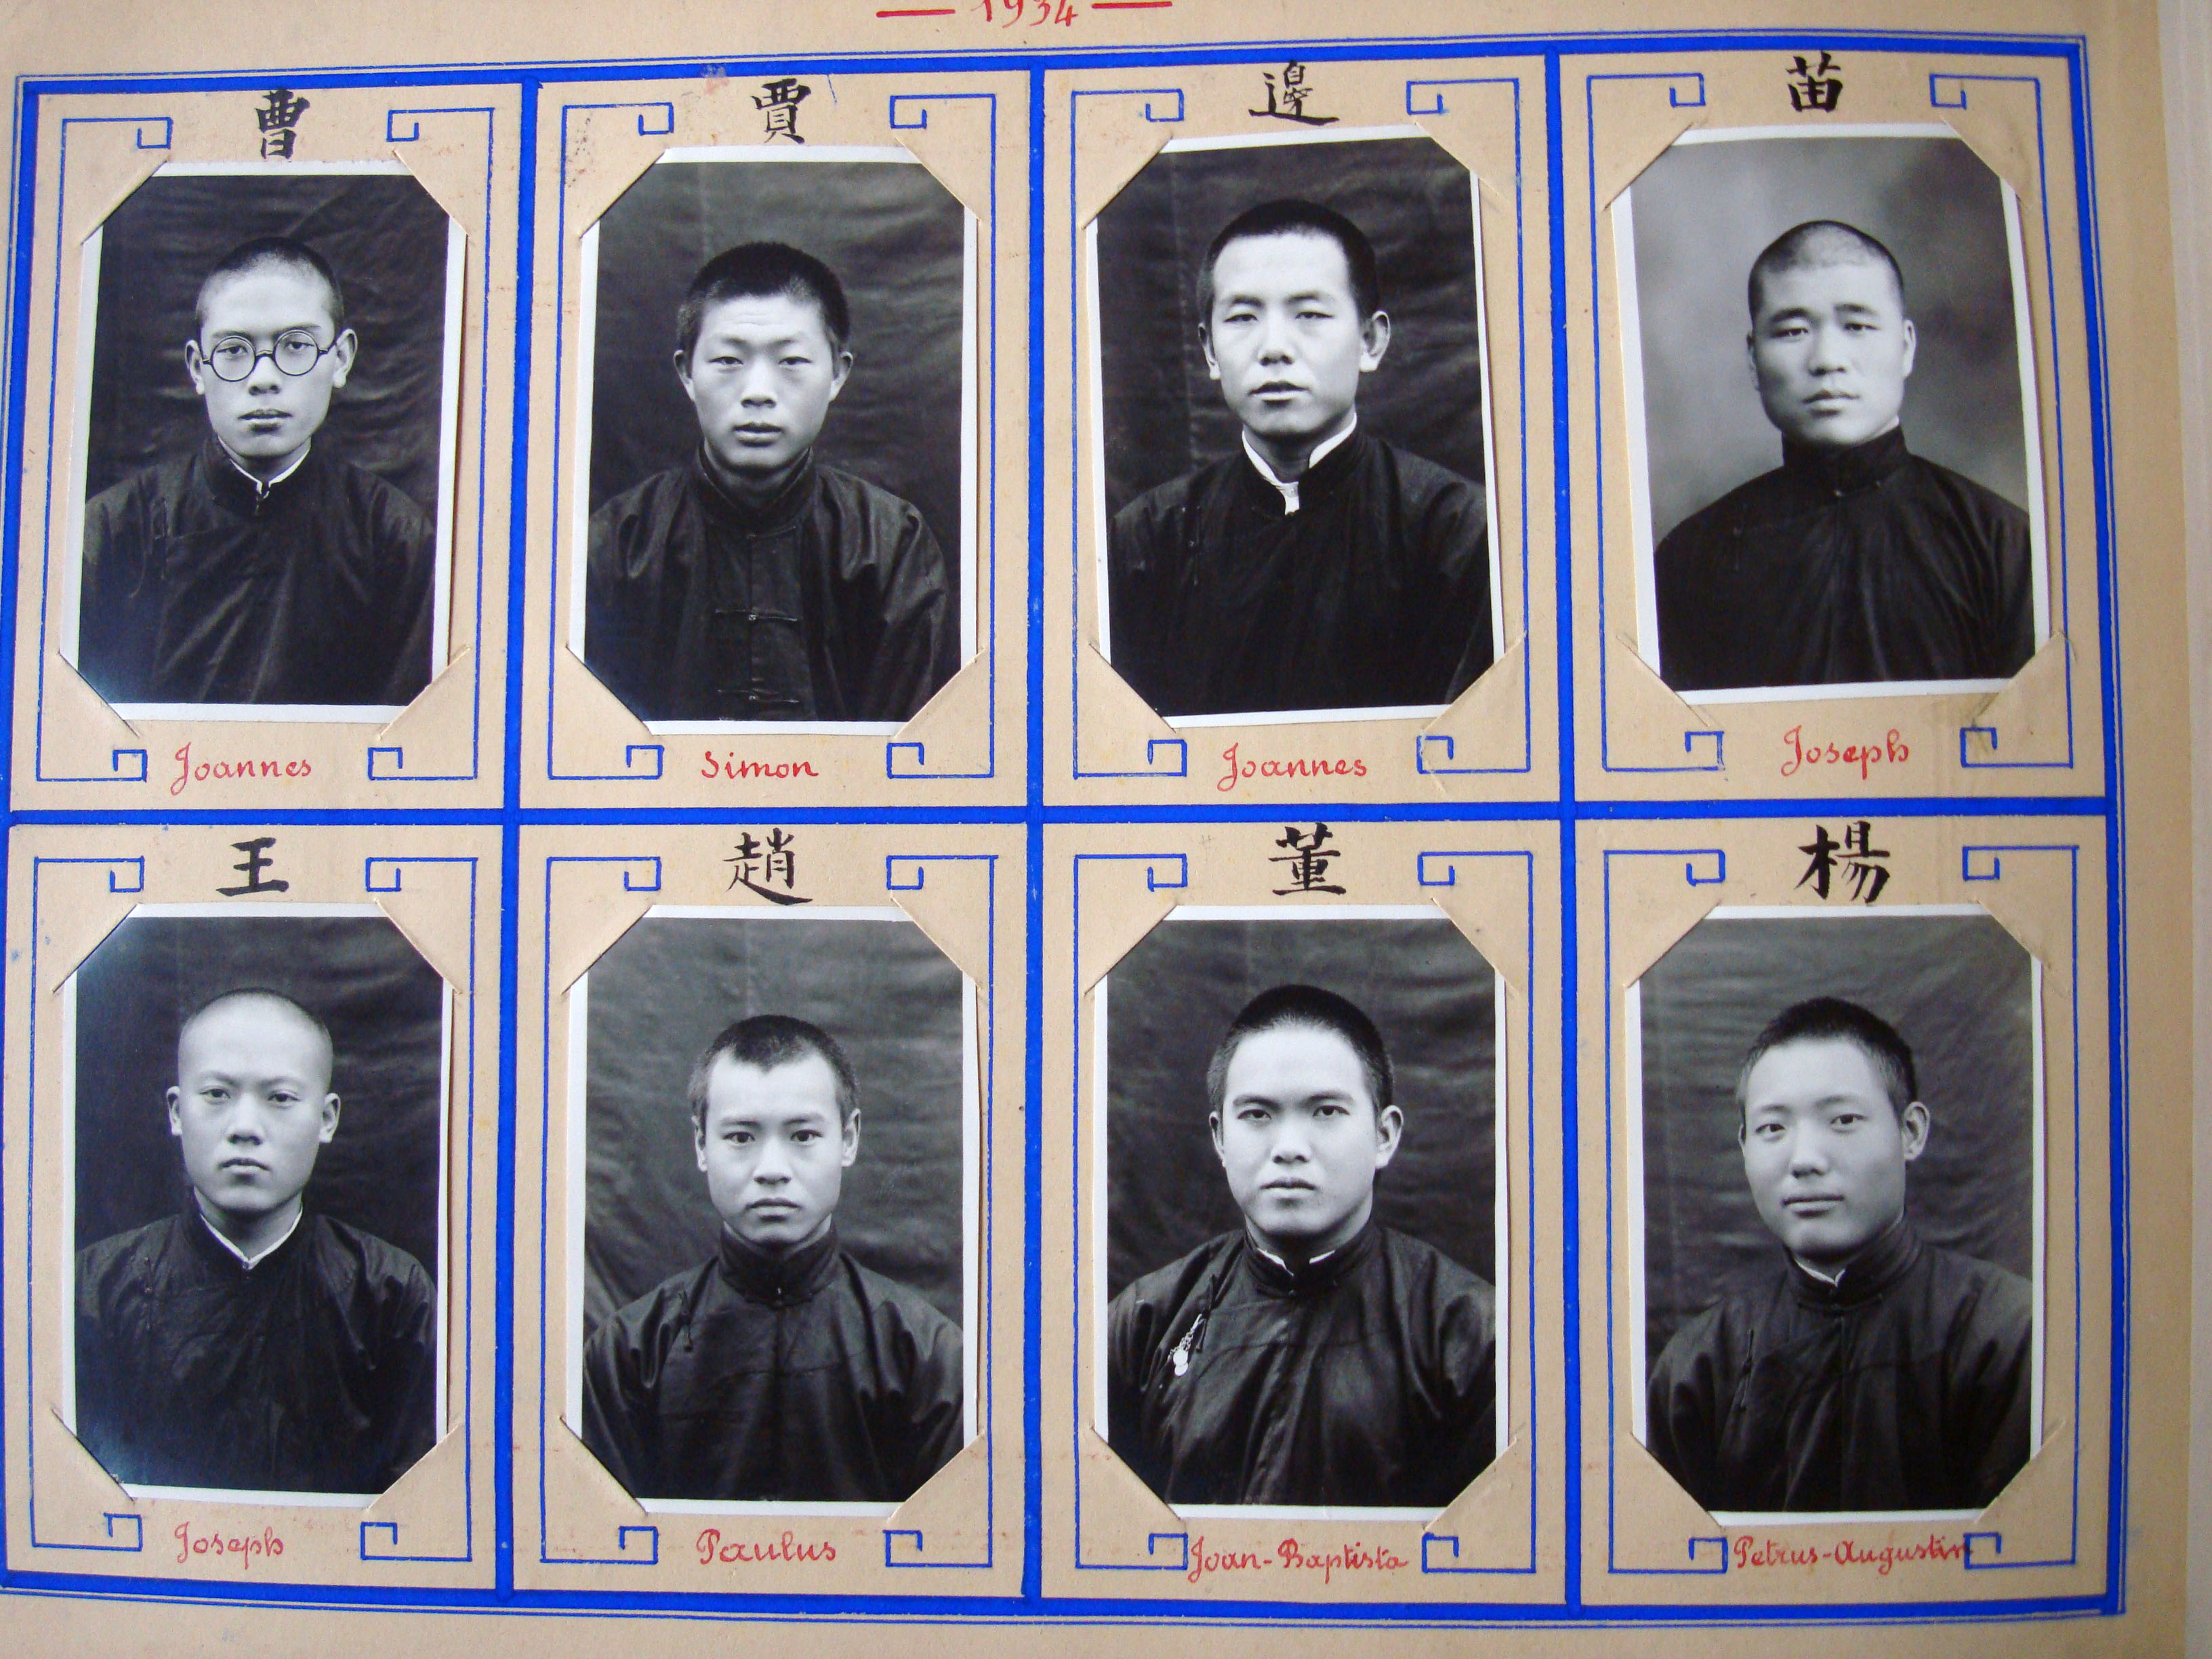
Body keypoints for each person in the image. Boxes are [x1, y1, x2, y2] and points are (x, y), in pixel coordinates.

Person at [1107, 985, 1496, 1508]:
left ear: (1384, 1136)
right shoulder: (1144, 1323)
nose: (1289, 1149)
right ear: (1220, 1138)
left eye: (1327, 1112)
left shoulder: (1468, 1336)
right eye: (1258, 1115)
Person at [1105, 199, 1494, 719]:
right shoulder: (1148, 540)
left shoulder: (1456, 532)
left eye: (1309, 315)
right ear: (1211, 351)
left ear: (1370, 341)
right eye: (1243, 317)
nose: (1274, 348)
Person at [1645, 997, 2034, 1514]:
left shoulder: (2008, 1336)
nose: (1805, 1160)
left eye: (1843, 1120)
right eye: (1773, 1128)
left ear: (1911, 1132)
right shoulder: (1699, 1367)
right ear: (1744, 1147)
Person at [581, 1015, 964, 1502]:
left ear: (848, 1139)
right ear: (701, 1144)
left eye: (803, 1136)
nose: (772, 1170)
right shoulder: (629, 1354)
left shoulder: (925, 1355)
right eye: (741, 1137)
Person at [73, 989, 438, 1495]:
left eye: (280, 1098)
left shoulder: (391, 1294)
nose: (245, 1128)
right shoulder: (95, 1288)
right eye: (217, 1094)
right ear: (177, 1113)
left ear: (327, 1119)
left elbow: (418, 1502)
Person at [1652, 220, 2036, 693]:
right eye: (1793, 331)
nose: (1827, 359)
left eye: (1856, 326)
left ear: (1906, 346)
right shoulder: (1691, 558)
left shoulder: (2000, 545)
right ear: (1753, 359)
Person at [585, 243, 957, 724]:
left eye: (791, 361)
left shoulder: (890, 546)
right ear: (687, 373)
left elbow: (910, 747)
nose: (758, 393)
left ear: (838, 374)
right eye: (728, 360)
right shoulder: (617, 543)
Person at [77, 236, 438, 708]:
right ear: (197, 368)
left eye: (296, 345)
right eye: (233, 349)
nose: (263, 379)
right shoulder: (112, 530)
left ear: (341, 358)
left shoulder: (394, 539)